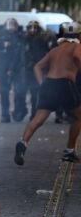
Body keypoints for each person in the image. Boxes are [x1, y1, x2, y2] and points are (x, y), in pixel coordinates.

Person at [15, 25, 81, 165]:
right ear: (78, 35)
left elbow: (37, 67)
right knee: (79, 116)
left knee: (38, 119)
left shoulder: (55, 50)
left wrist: (41, 84)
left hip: (49, 84)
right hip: (65, 84)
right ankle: (69, 151)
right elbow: (77, 57)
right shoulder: (76, 47)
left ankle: (23, 143)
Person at [0, 18, 27, 122]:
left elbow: (21, 54)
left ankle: (18, 112)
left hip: (17, 69)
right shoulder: (0, 38)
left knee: (19, 92)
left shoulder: (20, 37)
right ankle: (5, 114)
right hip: (4, 69)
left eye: (13, 25)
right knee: (4, 92)